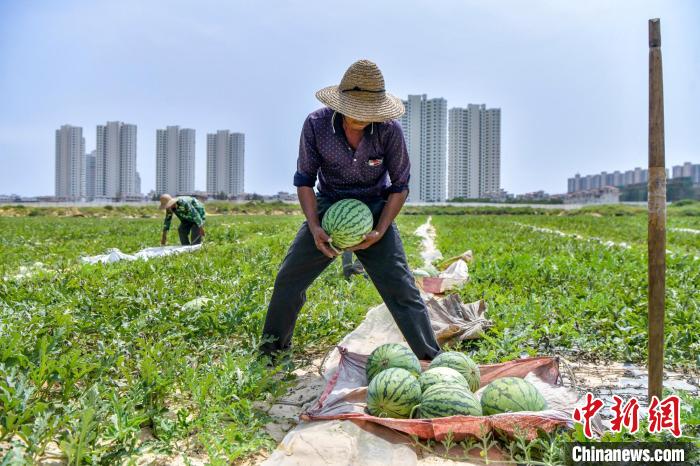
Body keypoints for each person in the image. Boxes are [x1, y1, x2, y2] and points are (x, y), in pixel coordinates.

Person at [260, 59, 441, 361]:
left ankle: (430, 356)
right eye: (354, 109)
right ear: (340, 104)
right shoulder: (316, 124)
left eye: (368, 112)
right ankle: (271, 353)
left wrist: (381, 230)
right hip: (329, 206)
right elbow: (304, 179)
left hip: (374, 208)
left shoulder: (389, 132)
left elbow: (400, 185)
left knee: (401, 287)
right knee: (289, 279)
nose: (360, 117)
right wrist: (315, 227)